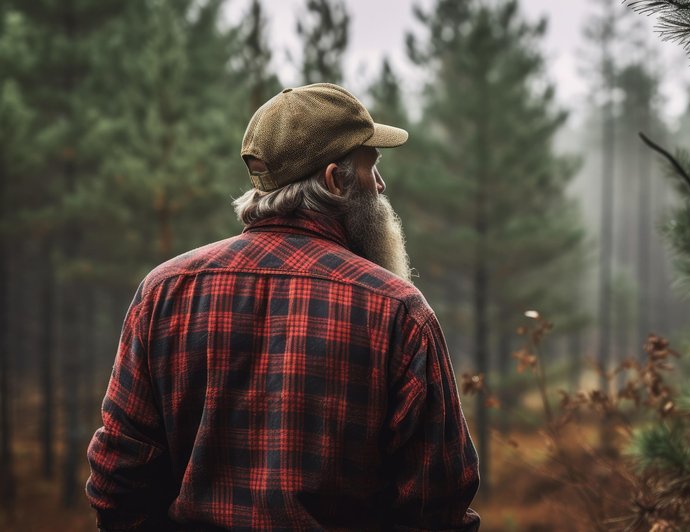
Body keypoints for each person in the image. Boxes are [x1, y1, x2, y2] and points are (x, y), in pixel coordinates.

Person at [86, 83, 480, 531]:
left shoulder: (165, 290)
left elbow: (119, 478)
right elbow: (437, 505)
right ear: (335, 180)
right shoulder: (396, 312)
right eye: (372, 167)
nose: (381, 184)